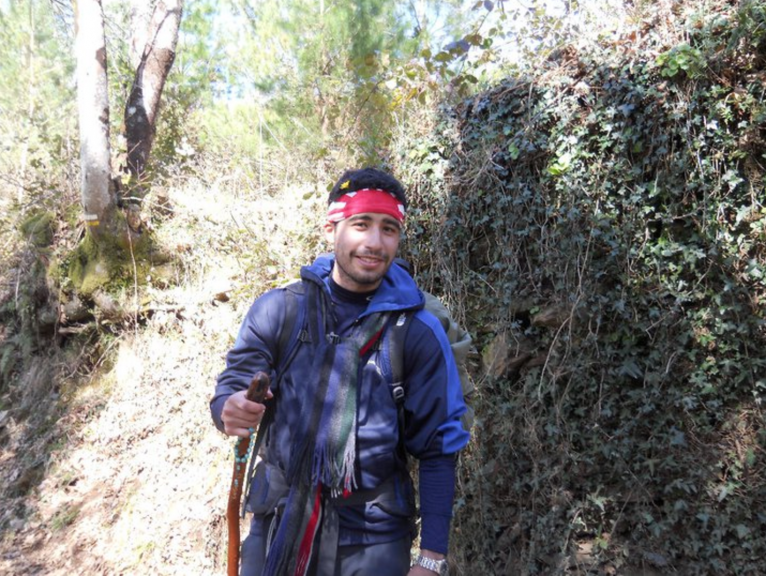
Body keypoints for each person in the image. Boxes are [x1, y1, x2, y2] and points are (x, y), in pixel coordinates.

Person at [210, 167, 470, 576]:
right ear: (332, 229)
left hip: (374, 538)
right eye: (361, 224)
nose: (374, 242)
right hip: (278, 523)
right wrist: (230, 406)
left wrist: (431, 558)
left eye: (389, 228)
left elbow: (439, 447)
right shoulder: (281, 310)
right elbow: (236, 380)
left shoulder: (416, 331)